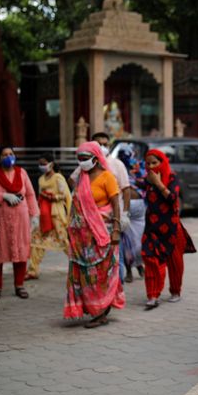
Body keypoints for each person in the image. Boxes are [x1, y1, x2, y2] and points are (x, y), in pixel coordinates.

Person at [64, 142, 125, 328]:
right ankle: (93, 309)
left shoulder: (107, 177)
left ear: (96, 158)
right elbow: (76, 206)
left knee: (102, 273)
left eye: (85, 158)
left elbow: (115, 204)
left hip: (104, 235)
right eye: (79, 159)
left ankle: (101, 312)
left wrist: (116, 228)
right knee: (84, 274)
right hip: (82, 239)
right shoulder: (81, 178)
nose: (81, 162)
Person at [71, 132, 131, 280]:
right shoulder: (83, 170)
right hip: (86, 229)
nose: (103, 147)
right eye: (99, 144)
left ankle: (116, 289)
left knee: (115, 261)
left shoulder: (115, 166)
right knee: (90, 268)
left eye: (105, 144)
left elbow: (126, 190)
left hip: (110, 222)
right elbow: (72, 182)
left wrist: (124, 214)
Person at [0, 146, 39, 299]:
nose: (8, 157)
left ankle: (19, 285)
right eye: (4, 155)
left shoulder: (21, 172)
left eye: (11, 154)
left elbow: (30, 193)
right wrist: (3, 196)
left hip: (20, 219)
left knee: (21, 251)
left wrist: (35, 215)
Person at [141, 149, 187, 309]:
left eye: (155, 163)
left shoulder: (171, 177)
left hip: (171, 228)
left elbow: (173, 198)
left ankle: (176, 291)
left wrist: (159, 184)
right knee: (150, 259)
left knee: (174, 262)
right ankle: (152, 295)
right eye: (148, 163)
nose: (151, 166)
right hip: (152, 227)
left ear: (163, 163)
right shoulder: (147, 180)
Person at [27, 153, 72, 279]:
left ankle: (77, 266)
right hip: (43, 214)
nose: (42, 166)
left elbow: (65, 195)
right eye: (40, 164)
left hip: (56, 214)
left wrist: (51, 197)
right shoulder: (41, 179)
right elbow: (39, 196)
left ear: (51, 163)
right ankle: (32, 270)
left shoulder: (58, 177)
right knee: (36, 241)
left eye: (44, 163)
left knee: (64, 241)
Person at [119, 146, 145, 283]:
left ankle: (139, 265)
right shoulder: (116, 167)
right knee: (127, 242)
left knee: (139, 242)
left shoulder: (138, 166)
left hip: (139, 208)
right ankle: (129, 271)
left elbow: (145, 182)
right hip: (126, 207)